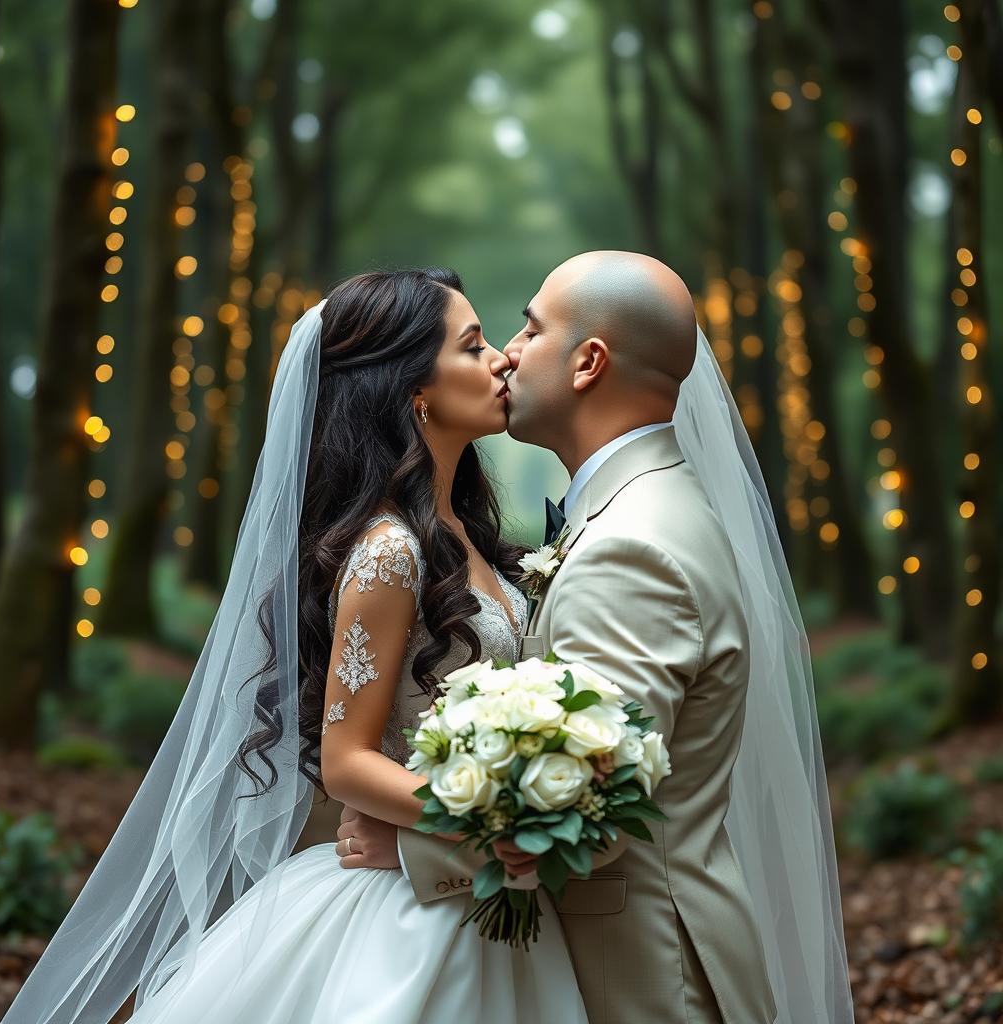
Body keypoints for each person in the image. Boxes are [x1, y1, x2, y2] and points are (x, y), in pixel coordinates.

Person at [3, 268, 588, 1024]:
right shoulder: (391, 551)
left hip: (477, 892)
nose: (503, 360)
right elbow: (348, 762)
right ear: (414, 391)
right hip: (403, 914)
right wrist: (502, 818)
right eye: (473, 348)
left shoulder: (467, 536)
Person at [343, 252, 856, 1024]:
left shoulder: (630, 546)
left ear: (588, 362)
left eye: (529, 327)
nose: (509, 352)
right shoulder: (637, 511)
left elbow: (601, 803)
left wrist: (412, 850)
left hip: (648, 977)